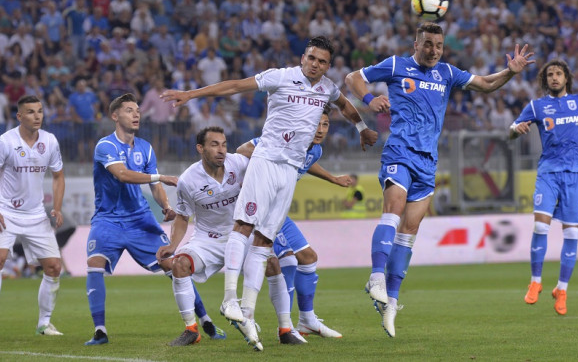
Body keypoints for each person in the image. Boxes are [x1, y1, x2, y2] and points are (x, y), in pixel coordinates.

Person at [161, 36, 378, 351]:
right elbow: (235, 86)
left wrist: (361, 128)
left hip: (289, 171)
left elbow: (344, 104)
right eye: (311, 58)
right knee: (244, 226)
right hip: (265, 161)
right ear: (302, 58)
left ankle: (247, 309)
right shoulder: (280, 76)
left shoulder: (327, 88)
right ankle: (229, 300)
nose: (315, 64)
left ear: (328, 66)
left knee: (264, 241)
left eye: (322, 61)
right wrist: (191, 95)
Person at [344, 21, 535, 337]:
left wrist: (511, 72)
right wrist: (369, 100)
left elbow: (486, 84)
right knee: (393, 210)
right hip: (400, 151)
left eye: (438, 45)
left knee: (410, 229)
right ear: (415, 44)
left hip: (428, 161)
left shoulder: (447, 73)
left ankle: (390, 302)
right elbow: (354, 78)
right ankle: (376, 276)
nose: (433, 50)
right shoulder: (395, 65)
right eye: (428, 44)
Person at [85, 93, 225, 346]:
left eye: (137, 110)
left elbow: (153, 188)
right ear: (115, 116)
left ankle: (205, 321)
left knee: (175, 265)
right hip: (107, 220)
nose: (136, 114)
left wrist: (167, 205)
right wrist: (160, 177)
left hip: (140, 220)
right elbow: (123, 175)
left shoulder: (145, 147)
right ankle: (100, 331)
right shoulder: (105, 146)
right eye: (129, 110)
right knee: (95, 265)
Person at [236, 106, 347, 341]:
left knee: (308, 258)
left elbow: (306, 163)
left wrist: (332, 179)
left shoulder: (315, 150)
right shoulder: (284, 138)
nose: (320, 130)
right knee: (287, 258)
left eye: (325, 124)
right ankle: (283, 327)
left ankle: (306, 320)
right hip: (260, 208)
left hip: (279, 210)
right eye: (316, 123)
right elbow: (242, 149)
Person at [509, 59, 578, 316]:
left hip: (576, 172)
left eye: (559, 73)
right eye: (550, 74)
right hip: (549, 172)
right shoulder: (537, 105)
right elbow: (511, 130)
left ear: (566, 78)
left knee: (572, 234)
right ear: (546, 80)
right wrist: (515, 129)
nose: (554, 77)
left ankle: (562, 290)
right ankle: (536, 281)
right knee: (540, 225)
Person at [155, 126, 249, 346]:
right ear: (200, 148)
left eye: (224, 144)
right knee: (179, 265)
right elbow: (182, 216)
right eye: (214, 144)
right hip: (209, 239)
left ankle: (286, 327)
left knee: (274, 265)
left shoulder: (239, 163)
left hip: (242, 233)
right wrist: (173, 245)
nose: (221, 150)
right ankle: (191, 329)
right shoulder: (188, 180)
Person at [0, 95, 65, 335]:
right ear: (19, 116)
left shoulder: (50, 141)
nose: (37, 116)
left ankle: (44, 323)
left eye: (39, 111)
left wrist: (56, 207)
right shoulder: (5, 141)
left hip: (36, 214)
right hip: (6, 212)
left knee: (54, 267)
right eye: (30, 112)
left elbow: (58, 175)